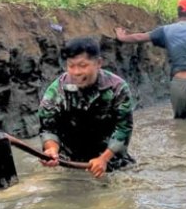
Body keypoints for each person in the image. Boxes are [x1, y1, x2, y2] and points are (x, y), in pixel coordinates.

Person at [38, 36, 135, 178]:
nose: (76, 72)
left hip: (109, 158)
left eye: (83, 66)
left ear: (98, 63)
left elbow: (123, 128)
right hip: (69, 161)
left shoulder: (117, 88)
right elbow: (48, 127)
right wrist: (52, 150)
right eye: (71, 66)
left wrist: (104, 159)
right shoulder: (56, 90)